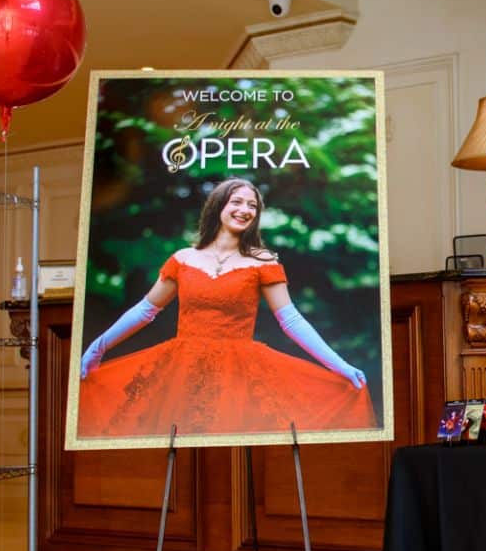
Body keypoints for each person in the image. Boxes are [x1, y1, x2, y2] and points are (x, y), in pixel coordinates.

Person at [76, 178, 374, 439]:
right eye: (237, 202)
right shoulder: (183, 259)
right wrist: (98, 347)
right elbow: (145, 310)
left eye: (252, 206)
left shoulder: (263, 261)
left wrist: (339, 365)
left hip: (239, 374)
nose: (245, 210)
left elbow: (291, 319)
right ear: (218, 205)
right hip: (180, 372)